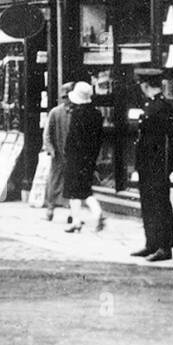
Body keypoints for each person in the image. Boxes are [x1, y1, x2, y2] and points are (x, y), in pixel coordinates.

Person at [132, 67, 173, 262]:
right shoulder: (152, 105)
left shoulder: (162, 108)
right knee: (148, 204)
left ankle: (164, 246)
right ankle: (152, 243)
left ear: (146, 85)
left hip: (158, 165)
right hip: (148, 165)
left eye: (141, 84)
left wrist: (172, 166)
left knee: (159, 205)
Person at [63, 81, 106, 233]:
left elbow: (72, 137)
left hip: (75, 157)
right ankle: (82, 218)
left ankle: (82, 218)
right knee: (84, 188)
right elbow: (99, 137)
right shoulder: (97, 114)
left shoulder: (77, 114)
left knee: (75, 190)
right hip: (90, 157)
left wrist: (67, 153)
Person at [42, 82, 75, 222]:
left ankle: (72, 212)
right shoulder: (55, 112)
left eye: (68, 97)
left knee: (72, 183)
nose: (66, 100)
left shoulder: (77, 112)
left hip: (72, 153)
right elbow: (47, 133)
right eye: (65, 97)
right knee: (54, 182)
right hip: (58, 153)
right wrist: (50, 149)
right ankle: (50, 210)